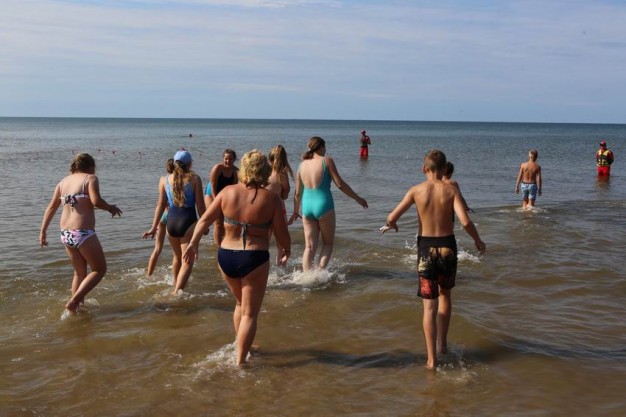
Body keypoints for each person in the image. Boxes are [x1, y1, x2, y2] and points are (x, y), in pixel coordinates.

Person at [183, 150, 291, 365]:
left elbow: (204, 220)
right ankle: (240, 363)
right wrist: (286, 249)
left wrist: (194, 243)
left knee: (240, 304)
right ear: (264, 170)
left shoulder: (227, 192)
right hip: (254, 258)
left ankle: (241, 344)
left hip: (226, 257)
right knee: (250, 314)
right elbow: (282, 234)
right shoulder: (272, 199)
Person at [381, 149, 485, 370]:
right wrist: (478, 240)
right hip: (448, 247)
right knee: (445, 295)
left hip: (425, 249)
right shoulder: (451, 190)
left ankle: (431, 360)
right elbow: (465, 221)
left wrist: (393, 225)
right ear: (445, 168)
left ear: (424, 169)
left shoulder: (415, 190)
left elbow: (391, 216)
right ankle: (443, 345)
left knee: (429, 307)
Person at [39, 153, 122, 313]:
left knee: (79, 273)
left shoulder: (63, 182)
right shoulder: (90, 179)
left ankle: (77, 309)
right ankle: (74, 302)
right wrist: (110, 207)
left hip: (65, 233)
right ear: (91, 167)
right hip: (82, 233)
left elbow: (51, 207)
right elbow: (96, 201)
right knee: (99, 269)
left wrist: (43, 230)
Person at [289, 136, 368, 271]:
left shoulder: (301, 165)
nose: (325, 150)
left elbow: (297, 193)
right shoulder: (327, 161)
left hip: (306, 207)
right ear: (321, 147)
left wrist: (295, 212)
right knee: (327, 244)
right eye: (324, 147)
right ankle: (319, 275)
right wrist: (357, 198)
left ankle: (307, 276)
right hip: (324, 205)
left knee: (309, 247)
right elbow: (340, 184)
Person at [143, 150, 205, 293]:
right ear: (190, 164)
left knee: (177, 257)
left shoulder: (164, 179)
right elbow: (200, 206)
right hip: (188, 222)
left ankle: (175, 284)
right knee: (187, 261)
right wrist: (204, 224)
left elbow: (160, 205)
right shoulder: (195, 179)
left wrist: (153, 227)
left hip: (171, 223)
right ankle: (177, 293)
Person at [146, 158, 175, 278]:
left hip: (163, 216)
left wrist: (153, 226)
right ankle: (175, 278)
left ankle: (148, 275)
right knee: (177, 253)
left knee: (157, 249)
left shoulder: (164, 180)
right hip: (174, 216)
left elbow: (161, 202)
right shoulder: (180, 180)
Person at [266, 145, 294, 265]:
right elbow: (285, 193)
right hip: (279, 209)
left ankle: (262, 268)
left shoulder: (263, 171)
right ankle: (281, 269)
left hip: (264, 209)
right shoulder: (282, 173)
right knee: (281, 244)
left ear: (270, 157)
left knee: (264, 242)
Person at [210, 149, 239, 246]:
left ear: (234, 159)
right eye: (226, 159)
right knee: (218, 222)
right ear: (223, 159)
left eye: (231, 159)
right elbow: (213, 186)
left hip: (225, 196)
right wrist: (216, 202)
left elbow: (234, 189)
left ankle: (223, 242)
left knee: (226, 222)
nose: (228, 161)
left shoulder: (236, 171)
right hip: (211, 194)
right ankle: (218, 247)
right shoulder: (217, 168)